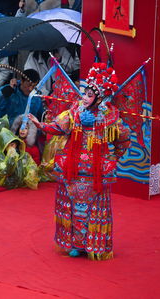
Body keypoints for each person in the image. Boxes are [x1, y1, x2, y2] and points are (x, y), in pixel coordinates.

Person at [27, 63, 131, 260]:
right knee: (73, 207)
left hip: (97, 172)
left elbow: (124, 138)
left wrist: (114, 157)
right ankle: (75, 244)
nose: (84, 97)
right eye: (85, 93)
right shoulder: (74, 111)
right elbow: (58, 127)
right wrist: (40, 125)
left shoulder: (109, 117)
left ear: (99, 97)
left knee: (93, 209)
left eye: (89, 95)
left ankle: (93, 245)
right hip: (73, 169)